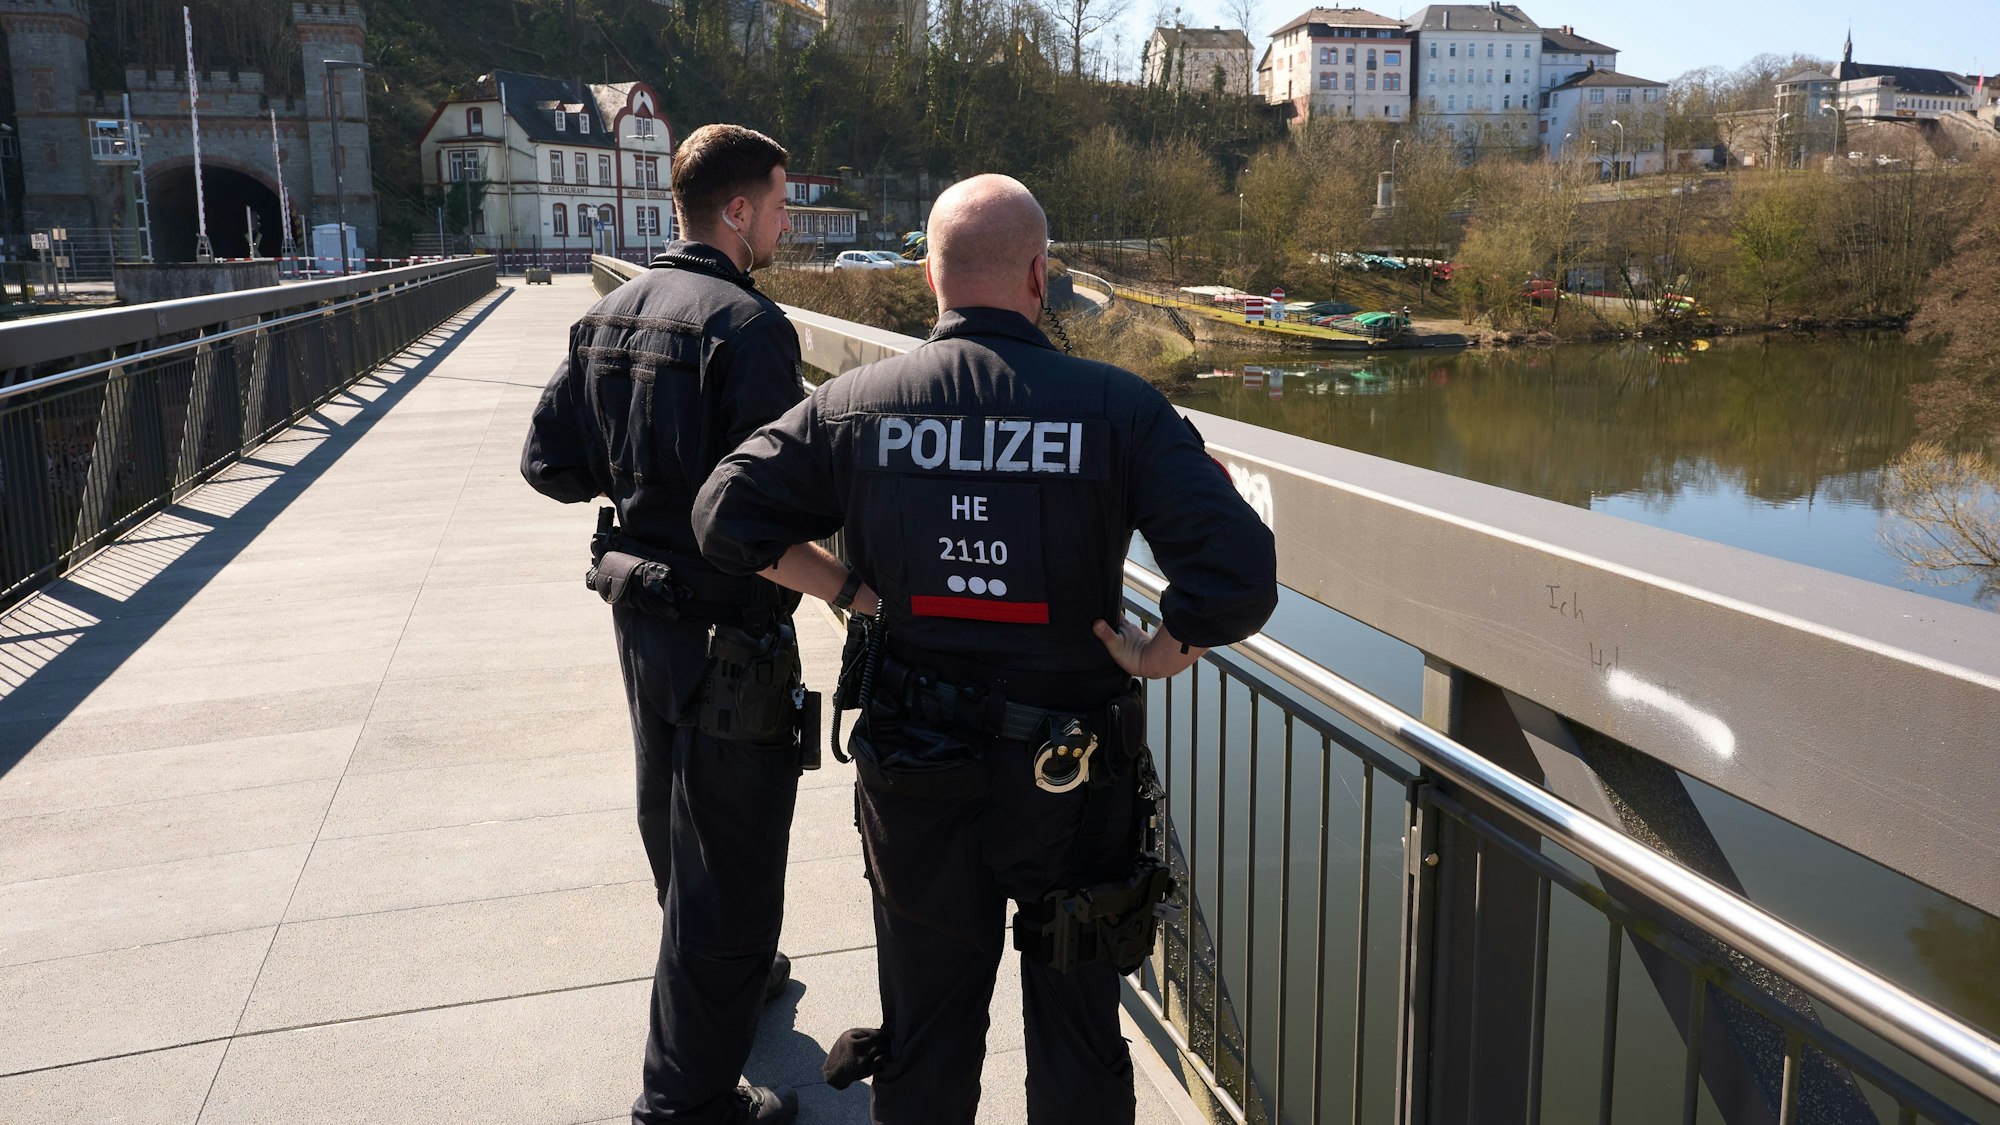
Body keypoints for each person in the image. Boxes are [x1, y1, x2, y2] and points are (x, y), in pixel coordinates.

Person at [692, 174, 1278, 1124]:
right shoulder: (1117, 409)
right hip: (1072, 779)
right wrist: (1167, 644)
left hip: (913, 771)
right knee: (1081, 1033)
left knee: (925, 1028)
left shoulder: (858, 404)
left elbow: (724, 513)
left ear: (931, 278)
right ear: (1041, 277)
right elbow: (1241, 571)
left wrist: (847, 587)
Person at [521, 123, 874, 1125]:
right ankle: (685, 1105)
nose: (786, 218)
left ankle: (737, 984)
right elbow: (762, 522)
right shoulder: (749, 329)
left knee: (668, 814)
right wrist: (854, 593)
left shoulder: (610, 313)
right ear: (736, 212)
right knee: (731, 857)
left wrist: (642, 482)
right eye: (779, 201)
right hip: (729, 628)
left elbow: (549, 465)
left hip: (641, 613)